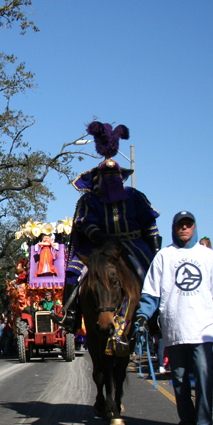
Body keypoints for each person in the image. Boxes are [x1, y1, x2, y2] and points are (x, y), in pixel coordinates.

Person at [135, 211, 213, 425]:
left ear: (194, 227)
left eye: (188, 224)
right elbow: (151, 292)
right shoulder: (163, 256)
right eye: (180, 225)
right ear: (174, 228)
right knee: (179, 379)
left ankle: (204, 422)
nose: (184, 229)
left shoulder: (208, 256)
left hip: (203, 329)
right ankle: (187, 421)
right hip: (175, 328)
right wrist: (142, 316)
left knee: (203, 376)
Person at [62, 122, 161, 330]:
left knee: (151, 271)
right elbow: (85, 223)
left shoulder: (135, 197)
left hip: (133, 242)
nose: (110, 179)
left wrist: (155, 250)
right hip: (99, 246)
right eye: (106, 177)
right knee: (74, 271)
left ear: (121, 177)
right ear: (98, 180)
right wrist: (100, 238)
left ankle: (156, 314)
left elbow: (149, 222)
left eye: (114, 176)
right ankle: (71, 314)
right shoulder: (90, 200)